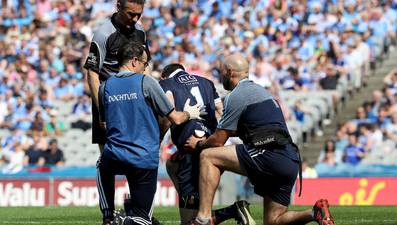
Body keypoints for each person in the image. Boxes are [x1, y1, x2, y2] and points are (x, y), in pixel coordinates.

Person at [186, 54, 334, 225]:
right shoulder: (263, 92)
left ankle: (202, 219)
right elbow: (250, 130)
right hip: (290, 159)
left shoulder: (237, 95)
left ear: (229, 72)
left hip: (269, 154)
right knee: (273, 221)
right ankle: (315, 212)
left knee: (208, 156)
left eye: (221, 72)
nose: (221, 76)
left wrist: (199, 144)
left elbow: (219, 140)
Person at [97, 42, 202, 225]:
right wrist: (189, 113)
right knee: (144, 219)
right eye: (145, 64)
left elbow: (104, 123)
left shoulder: (104, 87)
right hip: (143, 158)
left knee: (101, 165)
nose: (146, 68)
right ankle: (123, 221)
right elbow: (175, 118)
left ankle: (108, 216)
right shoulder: (146, 82)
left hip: (115, 155)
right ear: (135, 61)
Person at [159, 64, 254, 225]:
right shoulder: (206, 82)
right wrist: (217, 138)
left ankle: (232, 210)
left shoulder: (166, 84)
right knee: (172, 164)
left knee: (190, 221)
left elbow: (167, 116)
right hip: (209, 144)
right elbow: (220, 110)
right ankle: (207, 208)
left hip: (190, 145)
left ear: (163, 75)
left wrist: (158, 138)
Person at [84, 0, 150, 153]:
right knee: (108, 157)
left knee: (136, 153)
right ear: (118, 7)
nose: (134, 19)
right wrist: (102, 109)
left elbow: (145, 66)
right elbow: (92, 73)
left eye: (138, 14)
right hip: (109, 101)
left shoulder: (140, 31)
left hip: (133, 100)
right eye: (130, 14)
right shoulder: (103, 34)